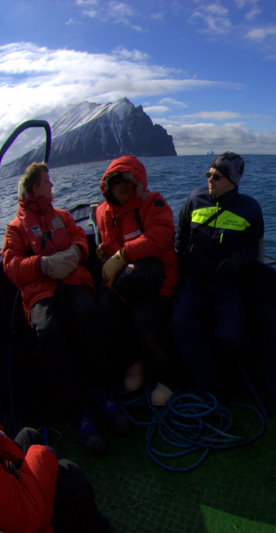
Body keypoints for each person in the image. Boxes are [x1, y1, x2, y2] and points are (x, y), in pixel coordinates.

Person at [2, 163, 130, 456]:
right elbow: (11, 267)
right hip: (40, 290)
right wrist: (42, 265)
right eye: (47, 182)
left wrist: (75, 252)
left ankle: (101, 391)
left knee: (88, 314)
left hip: (73, 281)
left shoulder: (62, 217)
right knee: (48, 332)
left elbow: (78, 240)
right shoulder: (14, 228)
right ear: (35, 188)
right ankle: (77, 410)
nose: (52, 187)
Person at [171, 152, 264, 391]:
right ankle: (206, 379)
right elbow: (180, 236)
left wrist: (238, 260)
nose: (210, 180)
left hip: (227, 283)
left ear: (232, 181)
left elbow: (255, 248)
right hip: (194, 279)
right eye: (208, 174)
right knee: (179, 323)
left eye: (217, 176)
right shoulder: (194, 199)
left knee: (231, 336)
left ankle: (215, 378)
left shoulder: (250, 209)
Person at [95, 155, 180, 407]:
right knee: (104, 311)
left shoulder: (152, 203)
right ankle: (135, 364)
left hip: (158, 281)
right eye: (116, 181)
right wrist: (106, 253)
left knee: (145, 318)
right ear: (107, 186)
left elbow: (161, 236)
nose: (122, 186)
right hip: (125, 283)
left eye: (127, 181)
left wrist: (122, 255)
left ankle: (170, 377)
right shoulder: (102, 212)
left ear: (137, 183)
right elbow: (110, 245)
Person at [0, 424, 108, 532]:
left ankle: (80, 515)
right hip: (29, 518)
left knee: (28, 436)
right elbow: (30, 518)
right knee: (69, 473)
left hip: (13, 486)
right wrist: (40, 454)